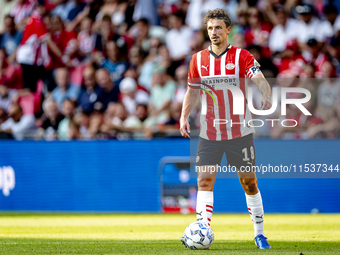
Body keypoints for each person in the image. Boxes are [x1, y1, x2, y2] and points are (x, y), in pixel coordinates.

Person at [179, 9, 272, 249]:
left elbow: (258, 76)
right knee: (204, 181)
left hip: (239, 132)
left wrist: (265, 92)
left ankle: (259, 234)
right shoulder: (197, 60)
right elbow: (192, 91)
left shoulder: (242, 56)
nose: (214, 32)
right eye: (210, 28)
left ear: (228, 29)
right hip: (209, 133)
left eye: (218, 27)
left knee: (249, 183)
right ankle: (202, 228)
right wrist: (184, 117)